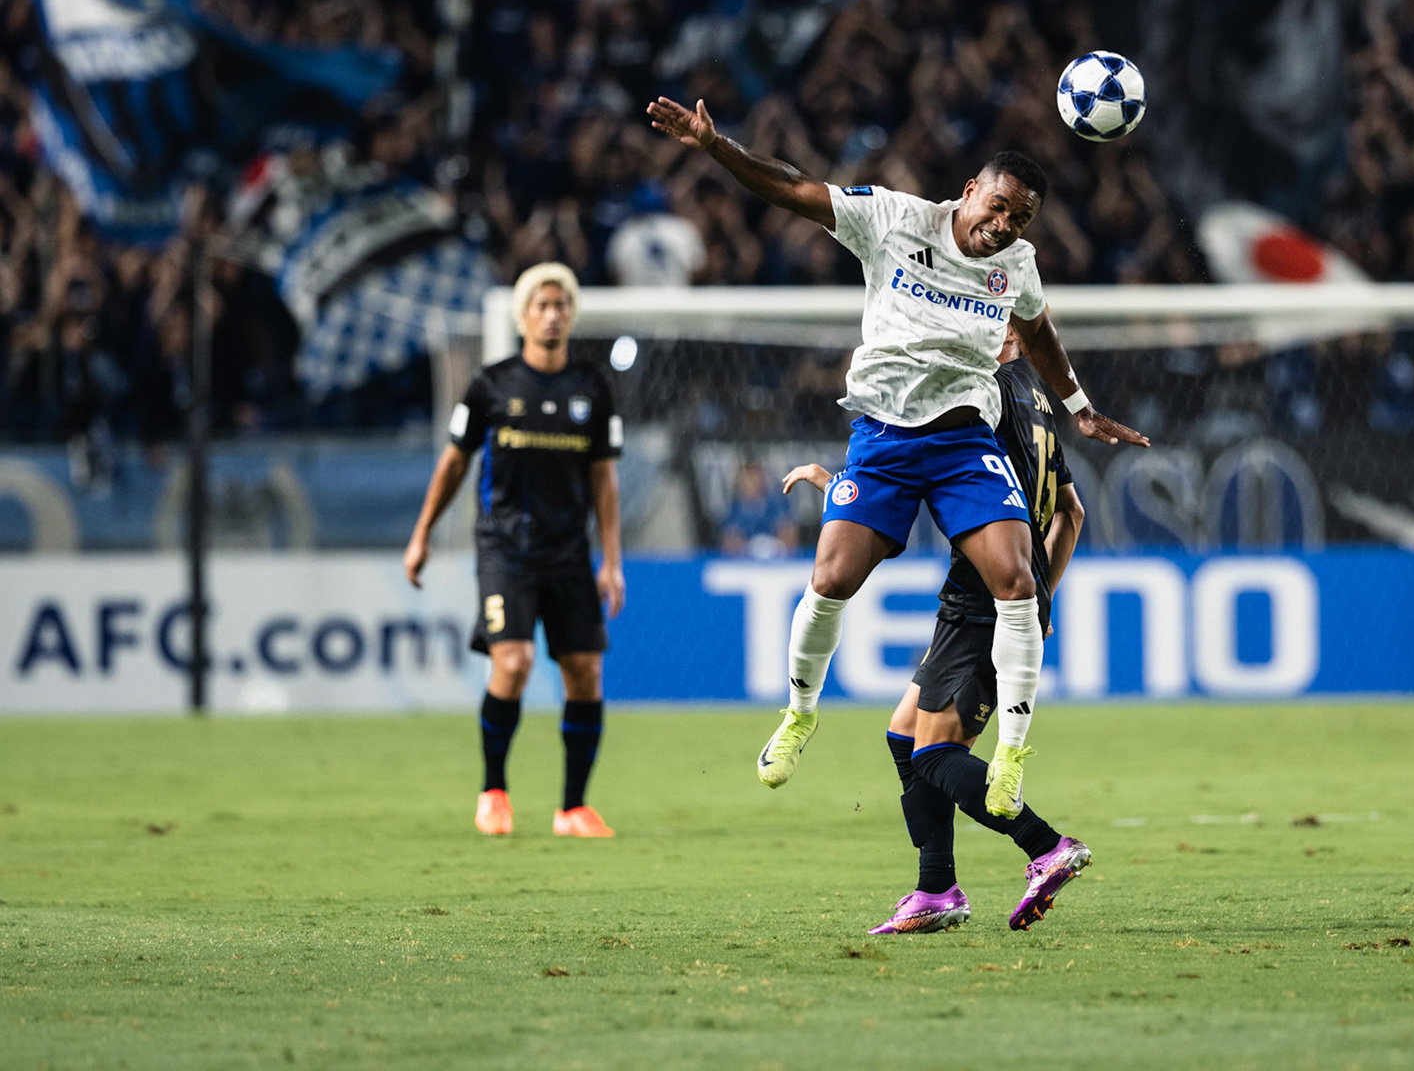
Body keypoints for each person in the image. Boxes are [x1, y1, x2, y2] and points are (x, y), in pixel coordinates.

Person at [646, 94, 1147, 818]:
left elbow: (1038, 334)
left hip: (962, 439)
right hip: (882, 437)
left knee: (1016, 582)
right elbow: (790, 186)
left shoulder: (1019, 265)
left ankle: (1010, 754)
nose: (1004, 226)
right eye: (998, 207)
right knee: (831, 577)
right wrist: (717, 146)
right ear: (970, 190)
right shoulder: (893, 218)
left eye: (1020, 219)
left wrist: (1080, 408)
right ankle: (799, 714)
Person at [784, 326, 1091, 933]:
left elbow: (927, 477)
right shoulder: (1037, 397)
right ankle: (935, 888)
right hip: (1001, 596)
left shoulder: (976, 393)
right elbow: (1070, 513)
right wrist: (1040, 598)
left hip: (981, 599)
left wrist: (844, 492)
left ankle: (1045, 845)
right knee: (904, 736)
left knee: (935, 751)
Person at [404, 263, 627, 838]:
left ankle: (572, 808)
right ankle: (493, 792)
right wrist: (422, 533)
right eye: (541, 305)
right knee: (515, 661)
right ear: (522, 315)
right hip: (506, 549)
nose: (552, 314)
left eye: (561, 305)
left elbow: (603, 478)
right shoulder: (491, 385)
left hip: (570, 554)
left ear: (571, 314)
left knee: (584, 672)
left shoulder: (593, 388)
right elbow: (453, 463)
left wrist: (612, 560)